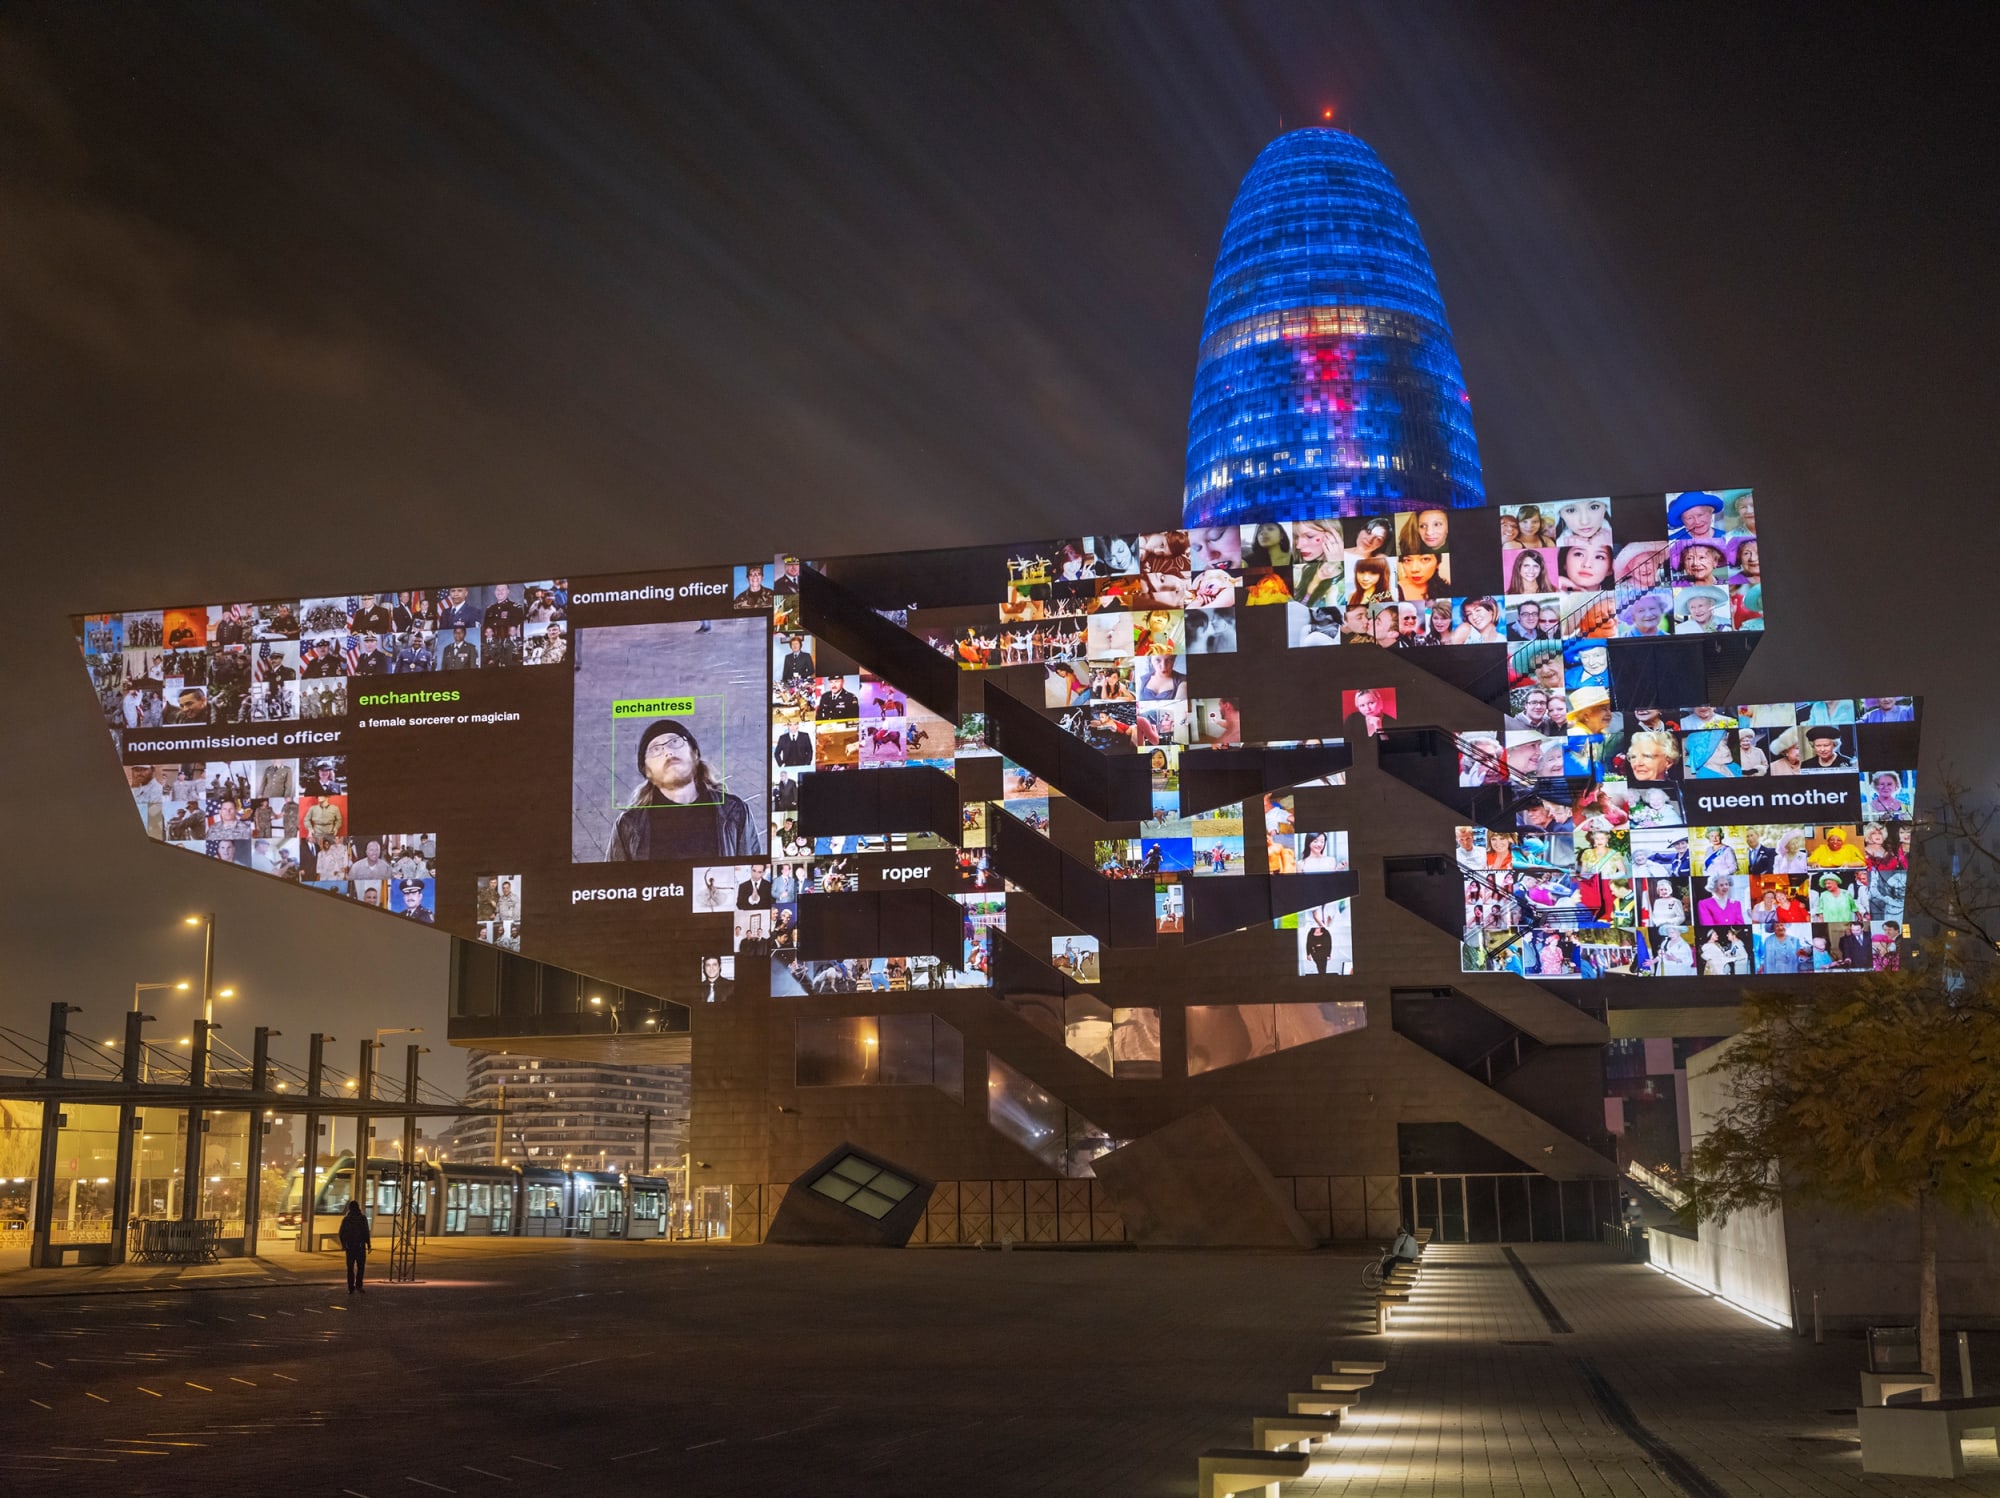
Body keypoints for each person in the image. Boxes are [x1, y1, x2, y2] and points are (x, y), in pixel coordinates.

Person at [608, 717, 763, 860]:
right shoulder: (628, 826)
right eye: (655, 749)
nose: (668, 752)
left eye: (674, 742)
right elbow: (614, 884)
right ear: (647, 771)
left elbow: (750, 871)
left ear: (694, 753)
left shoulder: (735, 812)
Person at [338, 1199, 370, 1293]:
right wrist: (368, 1244)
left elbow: (341, 1233)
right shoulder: (362, 1218)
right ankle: (359, 1285)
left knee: (350, 1268)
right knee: (361, 1267)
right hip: (360, 1247)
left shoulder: (346, 1219)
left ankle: (350, 1287)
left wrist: (344, 1244)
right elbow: (366, 1232)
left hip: (350, 1247)